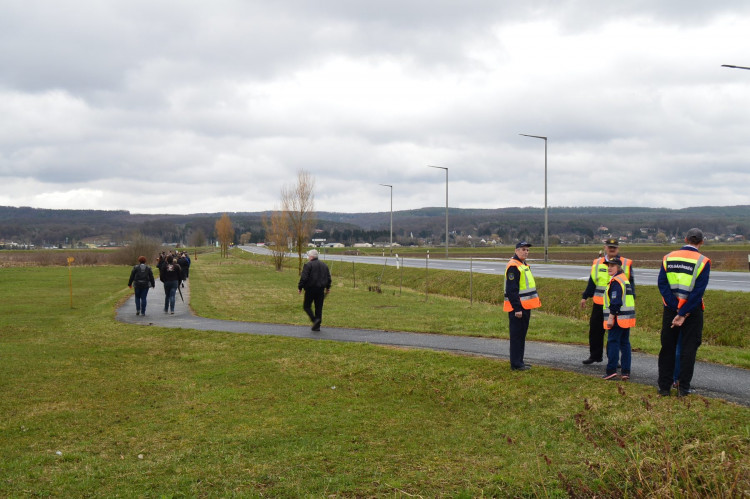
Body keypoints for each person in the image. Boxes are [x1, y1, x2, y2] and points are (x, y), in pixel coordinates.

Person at [657, 228, 711, 397]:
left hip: (670, 309)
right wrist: (684, 311)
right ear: (701, 242)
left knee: (667, 348)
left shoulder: (668, 257)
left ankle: (664, 387)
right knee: (688, 349)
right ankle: (683, 388)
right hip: (692, 311)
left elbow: (662, 285)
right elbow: (698, 292)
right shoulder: (703, 261)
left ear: (685, 239)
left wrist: (675, 308)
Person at [579, 238, 635, 365]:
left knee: (614, 334)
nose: (612, 249)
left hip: (616, 304)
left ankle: (613, 359)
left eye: (614, 247)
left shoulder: (625, 263)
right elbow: (592, 281)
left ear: (618, 249)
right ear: (605, 247)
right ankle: (595, 356)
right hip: (599, 303)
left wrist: (632, 300)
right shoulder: (597, 262)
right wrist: (585, 296)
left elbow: (630, 284)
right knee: (595, 331)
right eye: (610, 246)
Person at [503, 242, 541, 371]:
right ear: (516, 251)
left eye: (527, 250)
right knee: (516, 336)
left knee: (521, 335)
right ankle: (515, 364)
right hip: (518, 308)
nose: (526, 252)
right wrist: (517, 308)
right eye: (523, 250)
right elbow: (511, 290)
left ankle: (520, 361)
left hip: (525, 306)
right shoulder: (514, 266)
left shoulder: (522, 265)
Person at [601, 256, 636, 380]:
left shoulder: (616, 281)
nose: (609, 268)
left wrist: (611, 318)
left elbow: (616, 302)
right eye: (608, 265)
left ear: (618, 267)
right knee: (625, 344)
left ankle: (611, 370)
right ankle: (625, 371)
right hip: (626, 318)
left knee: (613, 343)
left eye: (612, 266)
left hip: (617, 318)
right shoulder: (623, 279)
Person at [298, 249, 332, 331]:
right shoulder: (324, 265)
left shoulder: (308, 265)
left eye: (309, 255)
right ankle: (317, 326)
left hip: (310, 289)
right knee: (318, 308)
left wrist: (300, 287)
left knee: (306, 306)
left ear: (311, 256)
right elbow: (328, 278)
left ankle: (314, 320)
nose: (308, 257)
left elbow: (304, 277)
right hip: (321, 289)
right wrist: (328, 287)